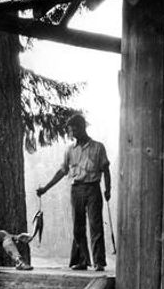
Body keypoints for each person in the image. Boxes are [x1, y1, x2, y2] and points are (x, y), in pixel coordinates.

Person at [37, 114, 111, 271]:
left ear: (81, 127)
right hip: (76, 190)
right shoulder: (70, 150)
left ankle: (99, 262)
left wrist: (108, 189)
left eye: (73, 130)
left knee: (95, 225)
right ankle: (82, 261)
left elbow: (106, 169)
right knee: (78, 227)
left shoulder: (98, 147)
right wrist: (45, 188)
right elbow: (62, 171)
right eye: (70, 131)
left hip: (93, 189)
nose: (71, 134)